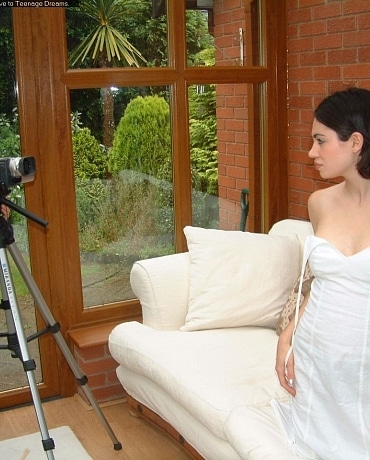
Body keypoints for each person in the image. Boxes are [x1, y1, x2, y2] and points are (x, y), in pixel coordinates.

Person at [274, 87, 370, 459]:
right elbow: (314, 284)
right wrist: (287, 337)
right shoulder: (320, 203)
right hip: (315, 358)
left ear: (356, 142)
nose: (311, 153)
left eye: (320, 141)